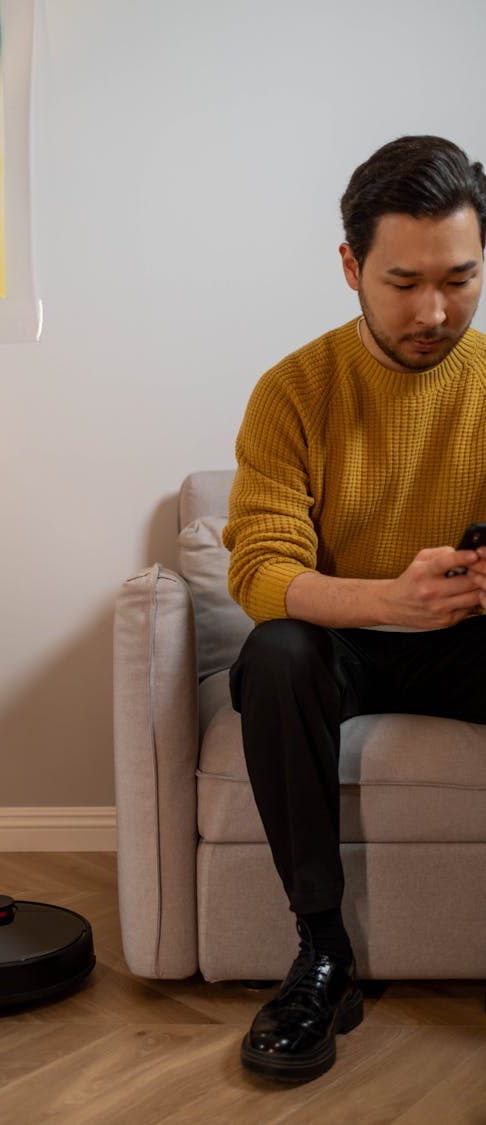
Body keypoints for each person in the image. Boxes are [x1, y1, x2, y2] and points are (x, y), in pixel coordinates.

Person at [222, 134, 486, 1083]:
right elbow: (260, 568)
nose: (434, 309)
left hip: (473, 643)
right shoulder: (293, 390)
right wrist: (392, 600)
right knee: (274, 652)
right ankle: (323, 955)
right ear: (350, 267)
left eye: (460, 278)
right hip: (345, 646)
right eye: (403, 280)